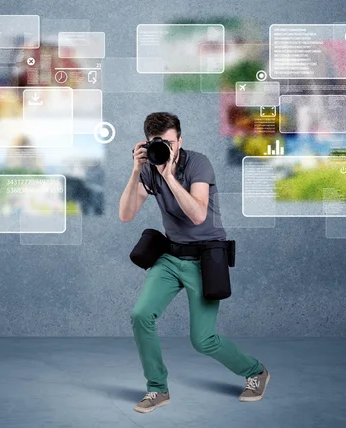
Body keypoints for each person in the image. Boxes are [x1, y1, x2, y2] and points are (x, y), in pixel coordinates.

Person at [119, 112, 269, 414]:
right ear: (148, 143)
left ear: (180, 141)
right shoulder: (148, 169)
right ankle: (157, 389)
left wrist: (169, 176)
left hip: (204, 259)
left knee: (203, 340)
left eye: (171, 143)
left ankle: (255, 372)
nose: (166, 149)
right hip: (170, 258)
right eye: (158, 144)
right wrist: (136, 171)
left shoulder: (198, 163)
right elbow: (126, 214)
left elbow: (198, 215)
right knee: (140, 315)